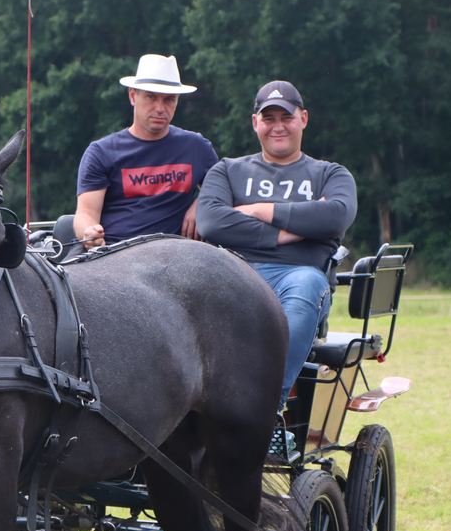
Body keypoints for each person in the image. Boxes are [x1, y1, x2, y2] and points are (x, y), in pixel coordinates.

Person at [197, 80, 358, 398]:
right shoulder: (226, 171)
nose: (278, 127)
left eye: (286, 117)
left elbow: (336, 215)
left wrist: (257, 209)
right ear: (255, 122)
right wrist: (296, 229)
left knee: (309, 284)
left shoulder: (330, 174)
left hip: (297, 279)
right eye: (269, 118)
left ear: (304, 119)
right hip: (231, 275)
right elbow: (212, 222)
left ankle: (267, 409)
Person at [74, 54, 218, 249]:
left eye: (169, 99)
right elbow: (86, 213)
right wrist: (89, 232)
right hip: (115, 253)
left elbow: (224, 187)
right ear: (133, 96)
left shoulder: (197, 147)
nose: (160, 108)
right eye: (151, 97)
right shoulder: (101, 152)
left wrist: (203, 202)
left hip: (181, 257)